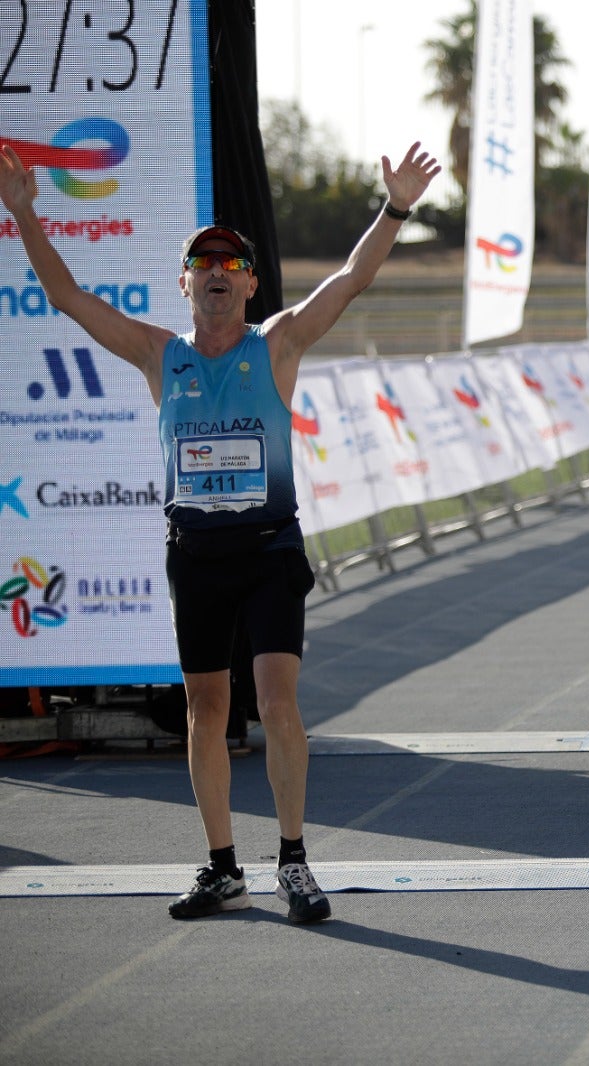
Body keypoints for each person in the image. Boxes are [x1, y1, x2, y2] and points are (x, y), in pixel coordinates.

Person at [0, 141, 441, 921]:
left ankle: (294, 863)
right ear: (184, 283)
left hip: (269, 551)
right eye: (202, 262)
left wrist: (396, 208)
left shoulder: (278, 344)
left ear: (249, 284)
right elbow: (66, 296)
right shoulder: (158, 356)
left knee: (276, 702)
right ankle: (223, 868)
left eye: (231, 263)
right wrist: (24, 214)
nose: (216, 271)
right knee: (205, 710)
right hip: (196, 556)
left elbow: (351, 278)